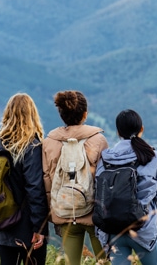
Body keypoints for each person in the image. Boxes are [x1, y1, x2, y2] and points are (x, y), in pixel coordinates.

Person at [95, 109, 157, 265]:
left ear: (118, 132)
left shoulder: (105, 158)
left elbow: (97, 192)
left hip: (113, 230)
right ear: (141, 129)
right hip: (143, 229)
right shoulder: (152, 156)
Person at [42, 90, 109, 265]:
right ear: (85, 114)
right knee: (105, 262)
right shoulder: (98, 140)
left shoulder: (49, 142)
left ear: (61, 114)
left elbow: (46, 178)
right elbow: (105, 179)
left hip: (63, 210)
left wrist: (52, 210)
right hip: (94, 213)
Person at [0, 93, 50, 265]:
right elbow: (34, 187)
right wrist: (39, 227)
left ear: (8, 114)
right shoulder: (31, 146)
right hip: (27, 225)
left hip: (4, 221)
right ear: (32, 114)